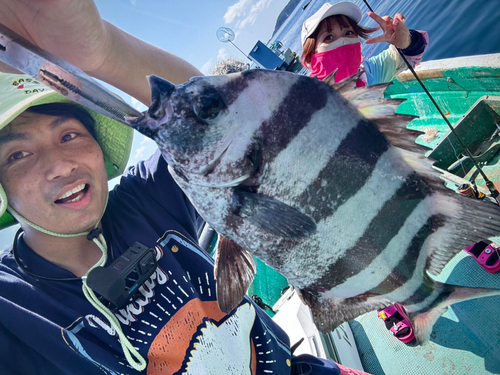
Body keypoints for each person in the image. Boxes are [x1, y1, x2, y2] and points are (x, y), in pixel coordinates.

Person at [0, 1, 371, 374]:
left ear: (98, 149)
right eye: (18, 155)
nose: (60, 164)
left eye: (69, 135)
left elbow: (227, 120)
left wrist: (101, 50)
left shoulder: (143, 198)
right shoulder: (11, 307)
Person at [300, 2, 429, 85]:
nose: (342, 42)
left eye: (348, 33)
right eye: (329, 37)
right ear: (310, 59)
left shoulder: (369, 73)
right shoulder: (305, 102)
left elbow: (406, 58)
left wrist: (406, 42)